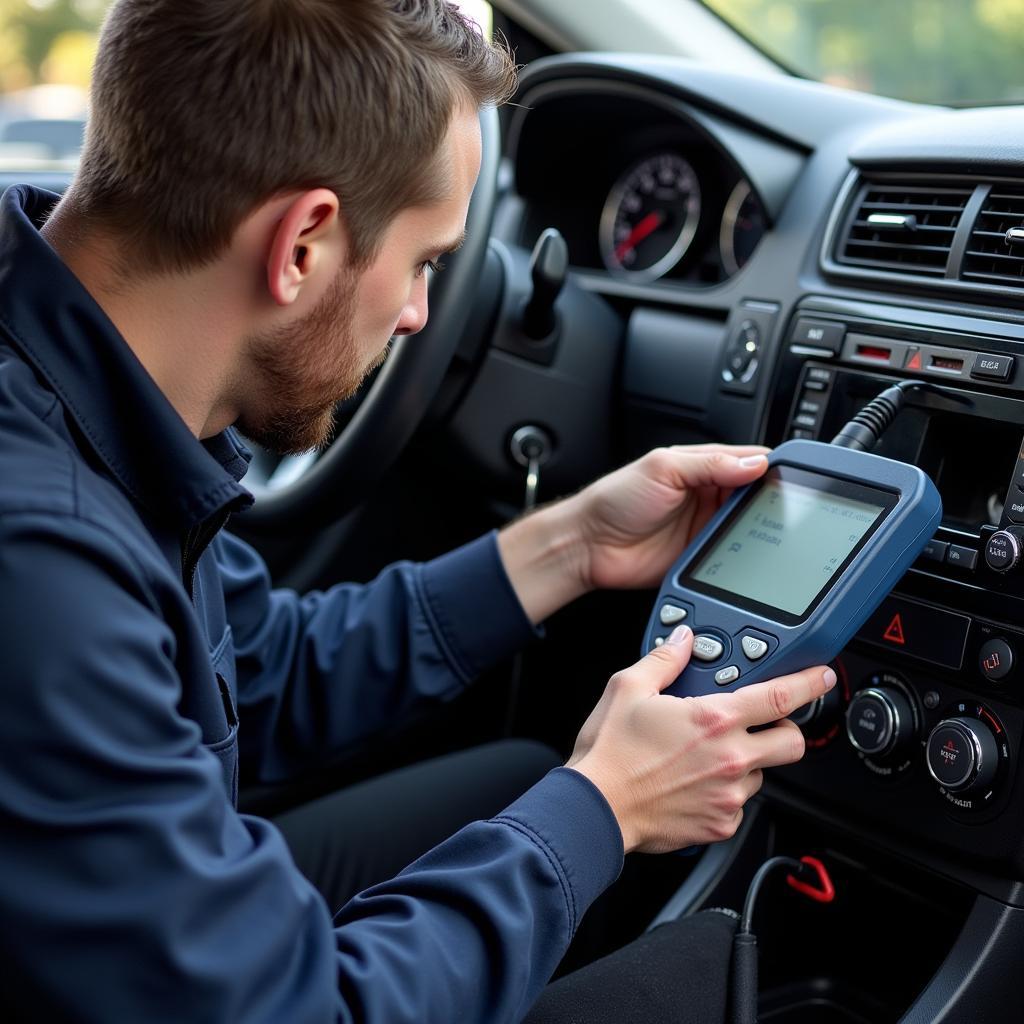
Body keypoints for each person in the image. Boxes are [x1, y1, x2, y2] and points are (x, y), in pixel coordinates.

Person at [0, 1, 835, 1020]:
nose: (417, 316)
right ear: (302, 242)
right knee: (695, 982)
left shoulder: (73, 369)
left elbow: (255, 674)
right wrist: (606, 807)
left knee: (521, 777)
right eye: (426, 261)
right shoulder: (44, 558)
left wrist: (569, 543)